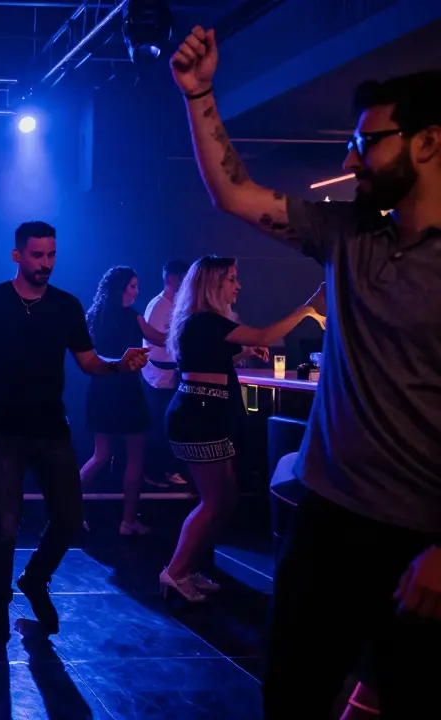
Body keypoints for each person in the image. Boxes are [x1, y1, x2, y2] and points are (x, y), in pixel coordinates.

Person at [173, 29, 441, 717]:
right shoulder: (349, 234)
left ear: (428, 143)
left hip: (418, 538)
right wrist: (200, 94)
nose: (351, 156)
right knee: (290, 698)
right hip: (325, 518)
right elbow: (235, 194)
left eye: (368, 140)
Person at [0, 221, 149, 641]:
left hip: (51, 428)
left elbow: (88, 361)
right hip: (2, 429)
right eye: (37, 255)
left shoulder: (66, 306)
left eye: (51, 255)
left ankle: (35, 579)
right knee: (5, 524)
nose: (45, 263)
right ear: (17, 255)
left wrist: (118, 364)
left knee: (71, 518)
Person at [161, 256, 322, 601]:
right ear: (214, 285)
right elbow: (266, 333)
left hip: (204, 414)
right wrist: (307, 309)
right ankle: (174, 572)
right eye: (232, 279)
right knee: (213, 501)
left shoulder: (202, 322)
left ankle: (189, 568)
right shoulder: (206, 320)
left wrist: (240, 352)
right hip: (199, 416)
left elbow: (204, 363)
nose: (239, 286)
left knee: (225, 499)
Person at [79, 266, 167, 535]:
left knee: (100, 455)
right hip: (126, 390)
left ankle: (67, 513)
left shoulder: (93, 316)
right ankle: (128, 521)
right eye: (132, 286)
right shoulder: (133, 317)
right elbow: (160, 339)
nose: (136, 291)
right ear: (119, 287)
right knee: (135, 457)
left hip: (102, 389)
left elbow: (89, 356)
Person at [141, 259, 190, 489]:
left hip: (167, 376)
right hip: (158, 377)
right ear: (173, 279)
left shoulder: (171, 305)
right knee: (160, 426)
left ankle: (165, 470)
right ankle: (155, 472)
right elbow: (153, 343)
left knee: (167, 425)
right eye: (185, 278)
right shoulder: (160, 306)